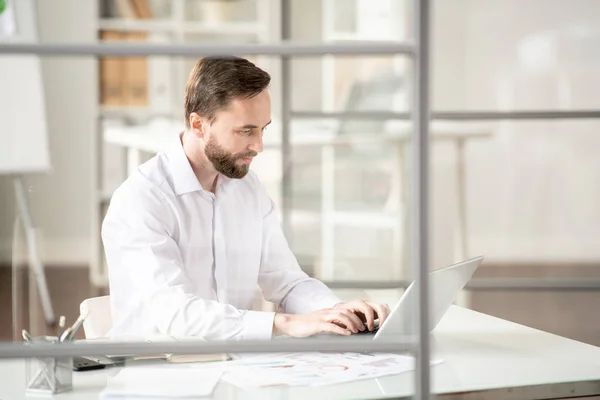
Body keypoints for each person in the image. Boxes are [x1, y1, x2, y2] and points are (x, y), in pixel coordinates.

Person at [102, 56, 390, 341]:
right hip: (155, 372)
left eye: (263, 129)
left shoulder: (247, 188)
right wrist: (285, 323)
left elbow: (286, 280)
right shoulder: (141, 201)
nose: (259, 146)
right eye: (246, 131)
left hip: (233, 367)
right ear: (199, 124)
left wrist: (335, 311)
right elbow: (176, 315)